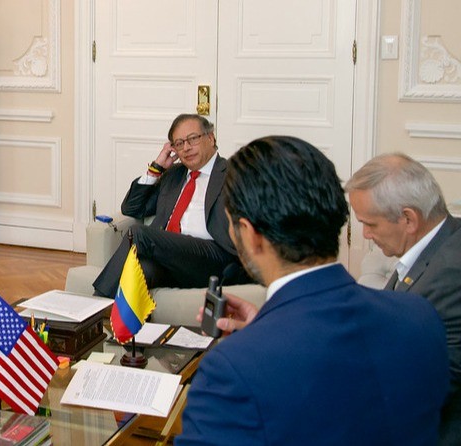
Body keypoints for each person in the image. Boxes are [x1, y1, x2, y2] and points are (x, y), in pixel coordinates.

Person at [175, 136, 449, 445]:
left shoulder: (230, 371)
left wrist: (260, 344)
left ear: (250, 234)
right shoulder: (419, 317)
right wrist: (266, 331)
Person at [346, 153, 461, 445]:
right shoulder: (441, 243)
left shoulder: (450, 274)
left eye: (370, 224)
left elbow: (434, 383)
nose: (366, 234)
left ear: (408, 219)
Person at [93, 114, 248, 298]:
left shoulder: (235, 173)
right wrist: (156, 168)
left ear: (210, 138)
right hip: (172, 258)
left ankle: (94, 303)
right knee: (141, 270)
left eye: (193, 139)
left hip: (213, 258)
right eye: (179, 143)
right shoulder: (174, 175)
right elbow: (132, 208)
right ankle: (109, 315)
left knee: (138, 233)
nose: (186, 148)